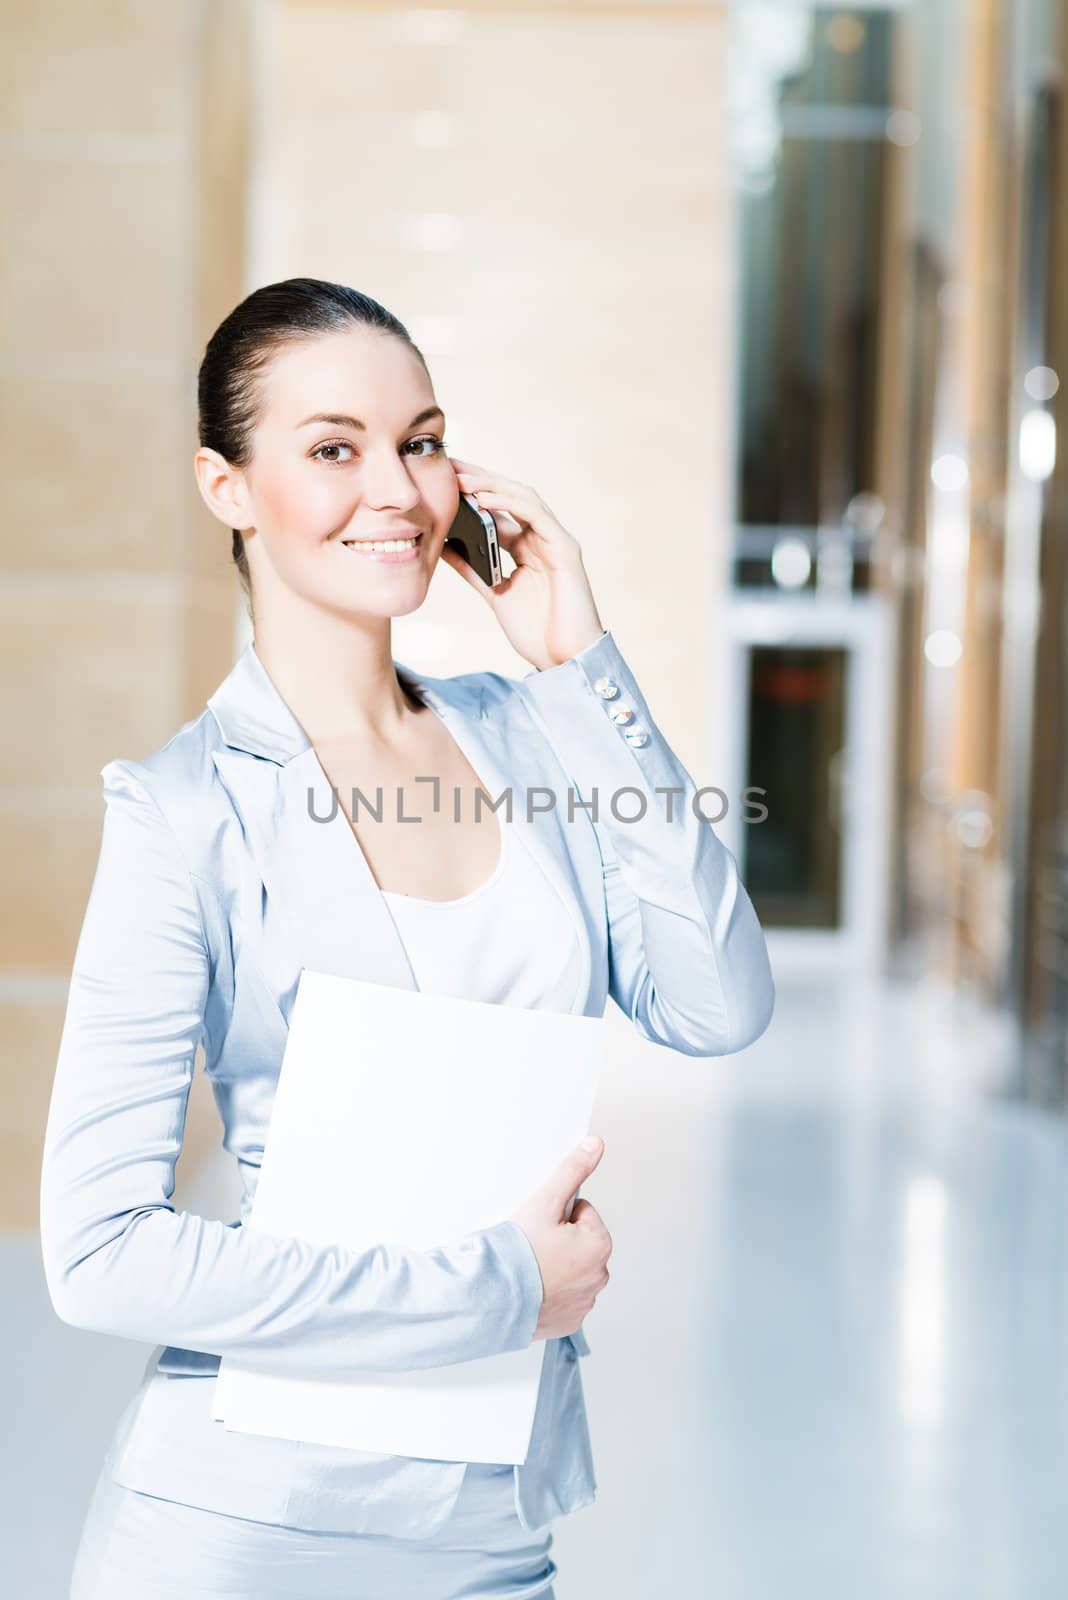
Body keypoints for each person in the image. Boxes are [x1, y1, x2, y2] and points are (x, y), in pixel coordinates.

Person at [39, 277, 775, 1598]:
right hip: (247, 1525)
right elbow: (99, 1256)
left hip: (490, 1523)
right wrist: (498, 1285)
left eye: (421, 440)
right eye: (334, 448)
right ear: (230, 489)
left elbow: (716, 1003)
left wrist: (581, 662)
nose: (399, 487)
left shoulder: (529, 728)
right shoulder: (182, 810)